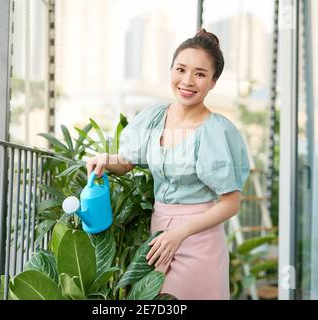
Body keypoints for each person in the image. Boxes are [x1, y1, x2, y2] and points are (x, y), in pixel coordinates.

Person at [86, 29, 250, 300]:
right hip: (159, 233)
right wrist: (105, 160)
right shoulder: (154, 116)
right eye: (180, 69)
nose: (187, 81)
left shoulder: (216, 131)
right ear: (171, 70)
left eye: (200, 74)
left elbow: (231, 202)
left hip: (198, 238)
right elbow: (128, 162)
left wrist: (181, 232)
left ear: (213, 82)